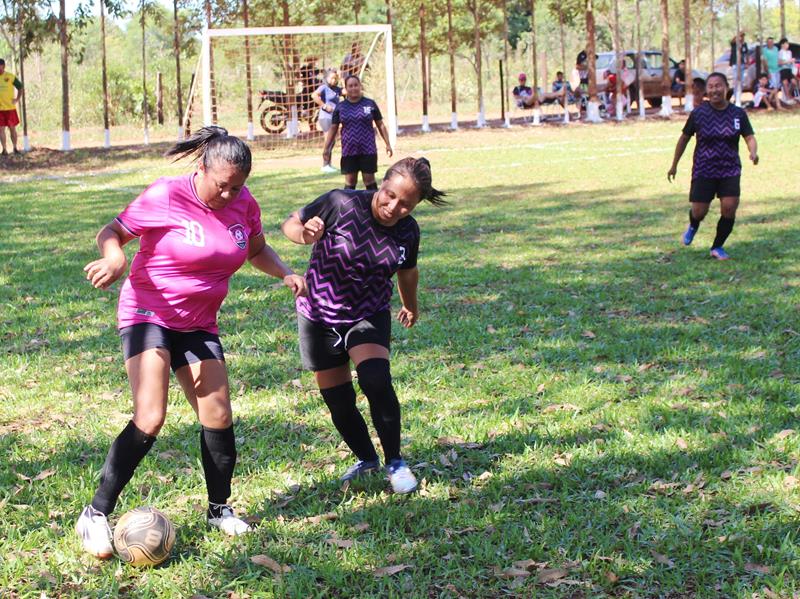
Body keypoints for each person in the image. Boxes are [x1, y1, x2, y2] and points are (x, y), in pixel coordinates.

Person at [76, 126, 307, 558]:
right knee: (151, 416)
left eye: (236, 187)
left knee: (217, 414)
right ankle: (95, 513)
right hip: (148, 311)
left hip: (198, 322)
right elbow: (113, 230)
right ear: (202, 169)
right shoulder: (167, 194)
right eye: (222, 185)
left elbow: (257, 249)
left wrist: (285, 272)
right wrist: (114, 256)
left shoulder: (244, 203)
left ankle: (219, 509)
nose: (228, 194)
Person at [281, 157, 446, 494]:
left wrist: (410, 306)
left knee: (376, 380)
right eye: (389, 195)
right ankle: (366, 459)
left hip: (367, 313)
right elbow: (290, 223)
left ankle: (396, 462)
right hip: (318, 314)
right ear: (381, 184)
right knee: (339, 400)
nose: (393, 207)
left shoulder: (408, 230)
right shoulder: (340, 203)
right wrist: (303, 234)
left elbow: (407, 271)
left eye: (406, 204)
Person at [667, 73, 758, 261]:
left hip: (729, 169)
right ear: (707, 90)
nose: (714, 90)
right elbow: (684, 138)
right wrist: (674, 164)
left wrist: (753, 152)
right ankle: (693, 225)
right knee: (699, 211)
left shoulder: (738, 114)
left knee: (729, 208)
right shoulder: (699, 114)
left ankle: (717, 246)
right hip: (704, 168)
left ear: (726, 87)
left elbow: (749, 136)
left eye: (718, 86)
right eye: (711, 86)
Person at [323, 74, 393, 191]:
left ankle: (374, 208)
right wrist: (326, 148)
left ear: (360, 86)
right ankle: (349, 208)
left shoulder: (370, 104)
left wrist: (388, 144)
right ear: (346, 89)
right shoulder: (341, 107)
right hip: (349, 150)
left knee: (369, 181)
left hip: (368, 149)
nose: (353, 88)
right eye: (350, 86)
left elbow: (380, 124)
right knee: (350, 183)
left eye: (356, 85)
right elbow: (333, 128)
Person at [313, 69, 343, 174]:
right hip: (325, 117)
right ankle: (325, 165)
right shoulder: (324, 87)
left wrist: (342, 78)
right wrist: (324, 105)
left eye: (336, 78)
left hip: (334, 118)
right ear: (327, 78)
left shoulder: (337, 89)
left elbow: (346, 92)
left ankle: (329, 164)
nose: (334, 80)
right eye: (332, 78)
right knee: (328, 141)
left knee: (332, 141)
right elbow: (314, 95)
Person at [0, 58, 23, 155]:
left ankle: (15, 148)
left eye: (0, 68)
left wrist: (17, 99)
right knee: (1, 129)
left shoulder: (10, 77)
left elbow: (20, 87)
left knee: (12, 128)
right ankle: (4, 150)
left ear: (4, 67)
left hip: (10, 108)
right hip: (0, 109)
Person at [777, 38, 797, 104]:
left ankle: (789, 95)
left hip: (789, 69)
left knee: (794, 82)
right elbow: (779, 63)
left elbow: (791, 61)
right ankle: (788, 98)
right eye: (786, 44)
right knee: (785, 83)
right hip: (783, 69)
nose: (787, 45)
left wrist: (792, 63)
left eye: (787, 44)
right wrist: (788, 61)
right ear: (782, 45)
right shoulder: (780, 52)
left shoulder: (789, 52)